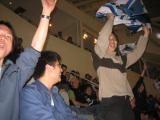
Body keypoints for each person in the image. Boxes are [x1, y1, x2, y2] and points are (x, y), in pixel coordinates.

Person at [0, 0, 56, 120]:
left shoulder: (14, 74)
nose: (2, 38)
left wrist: (46, 12)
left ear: (12, 46)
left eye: (8, 36)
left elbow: (35, 49)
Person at [91, 13, 150, 120]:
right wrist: (111, 19)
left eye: (114, 39)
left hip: (126, 103)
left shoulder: (122, 60)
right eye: (110, 39)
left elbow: (136, 53)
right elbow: (102, 38)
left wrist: (145, 35)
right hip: (110, 102)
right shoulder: (99, 56)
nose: (112, 41)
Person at [20, 51, 85, 120]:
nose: (61, 70)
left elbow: (70, 116)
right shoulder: (29, 94)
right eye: (59, 65)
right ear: (49, 68)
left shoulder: (56, 95)